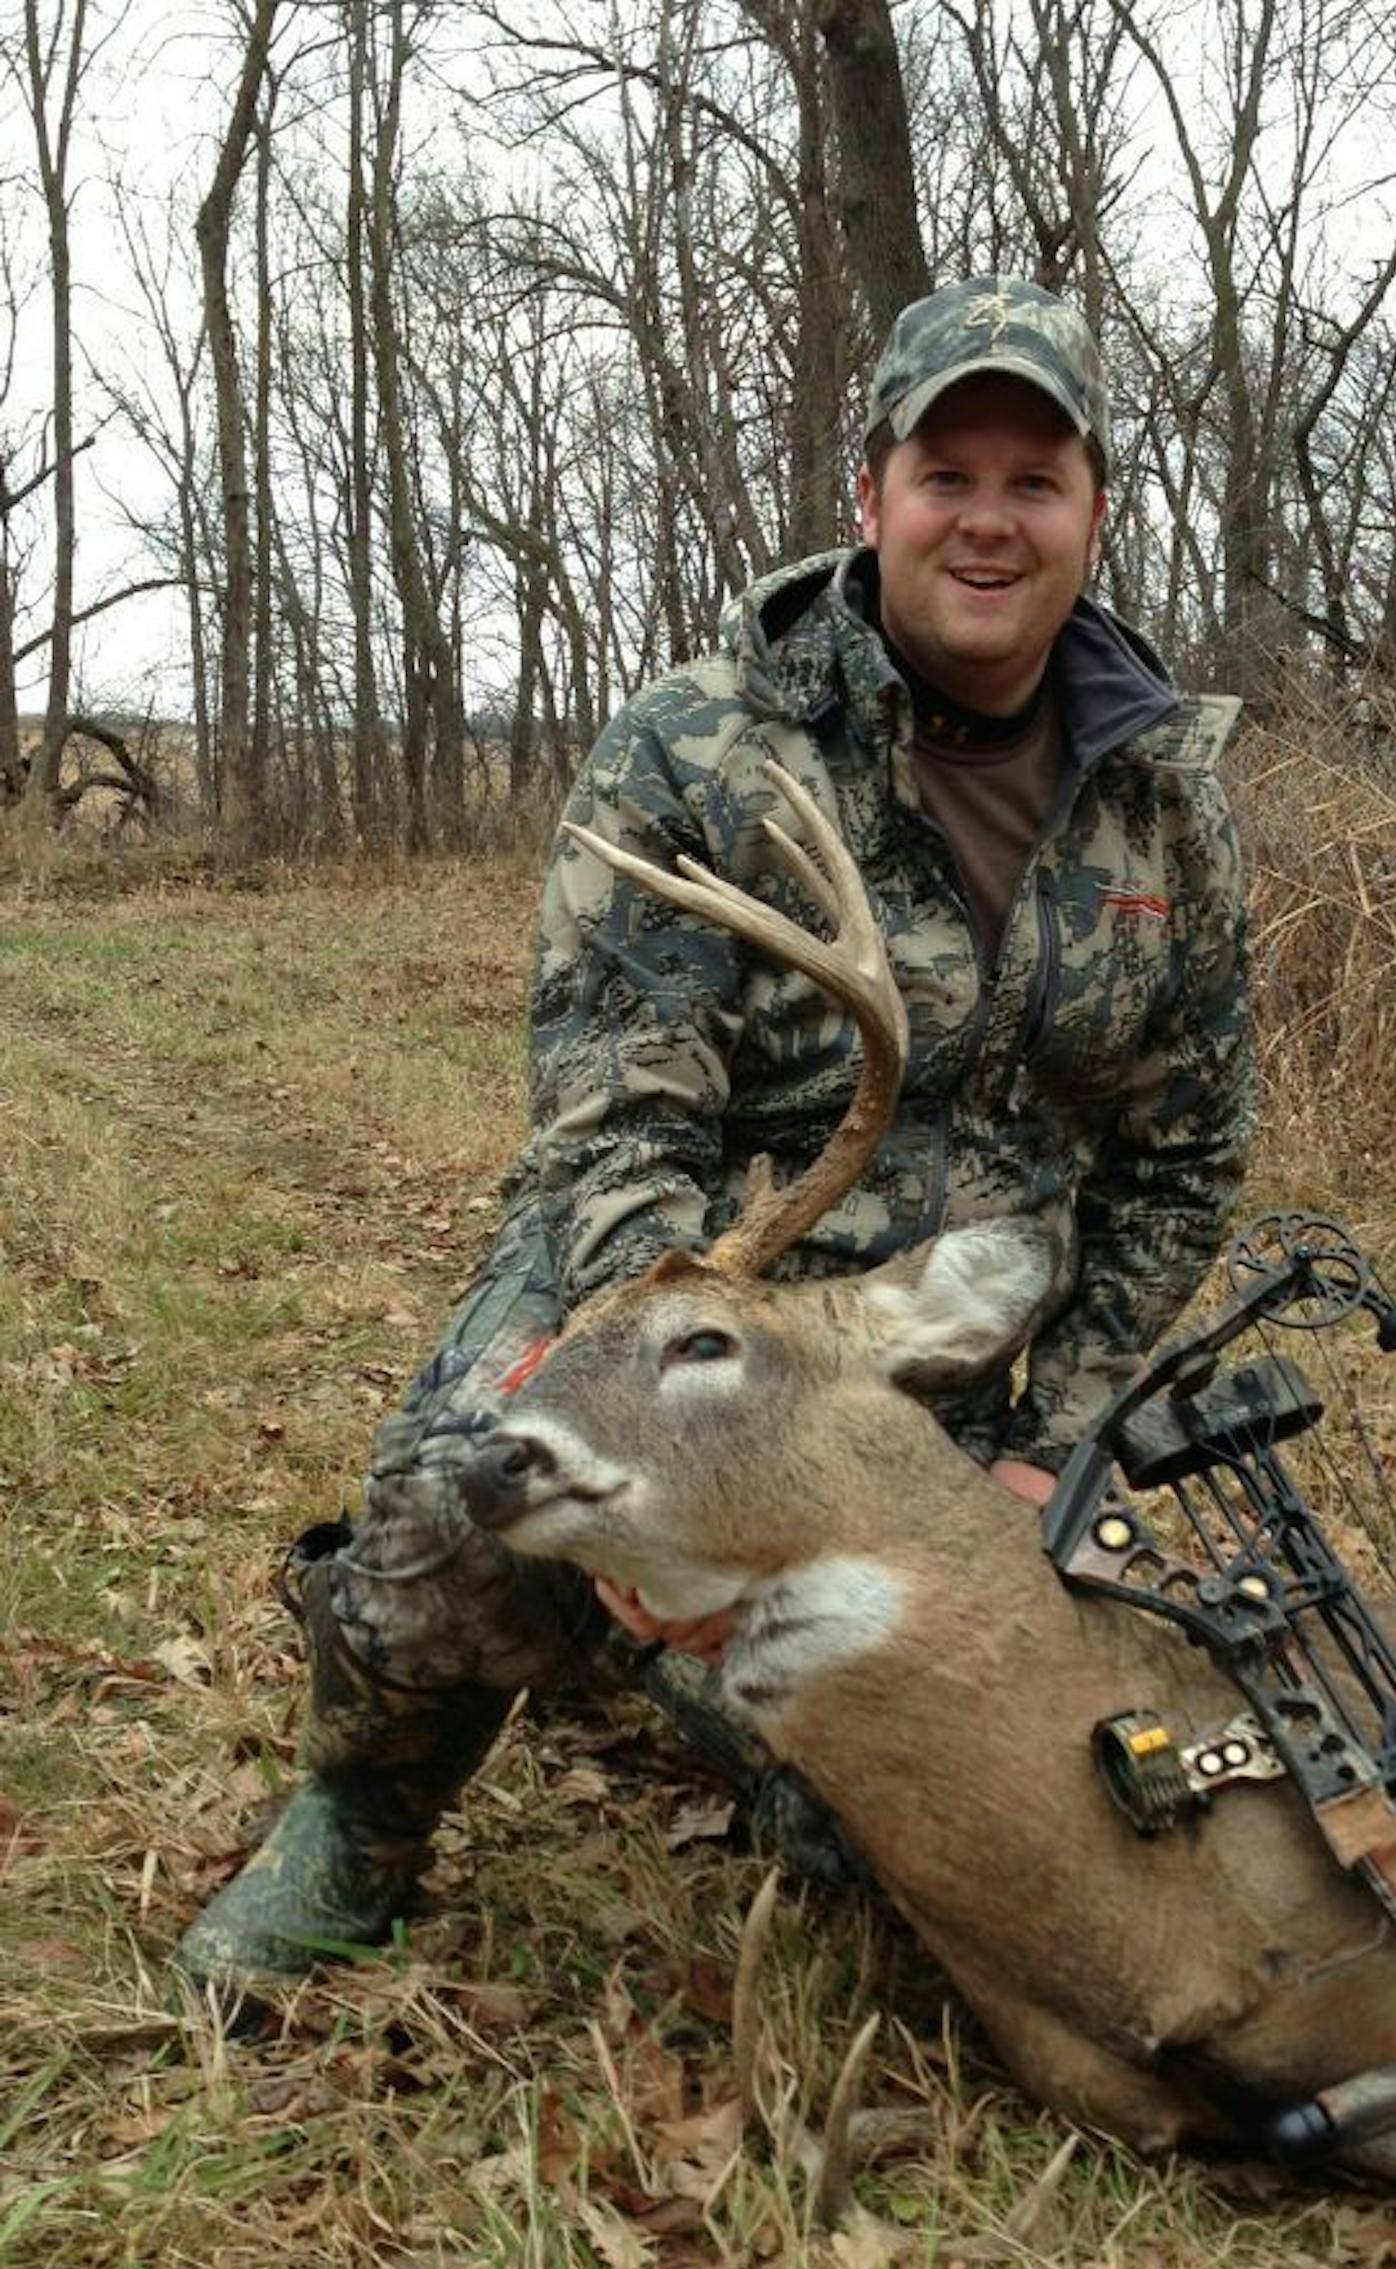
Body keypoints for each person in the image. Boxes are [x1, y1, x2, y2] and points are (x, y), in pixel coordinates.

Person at [176, 276, 1255, 1990]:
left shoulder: (1163, 791)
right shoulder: (700, 744)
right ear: (870, 498)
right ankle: (361, 1815)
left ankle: (713, 1690)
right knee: (463, 1507)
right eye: (945, 475)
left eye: (1034, 481)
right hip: (689, 1299)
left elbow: (1183, 1153)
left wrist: (1059, 1437)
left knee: (928, 1876)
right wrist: (687, 1443)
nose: (988, 520)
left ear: (1096, 513)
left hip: (954, 1355)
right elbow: (612, 1124)